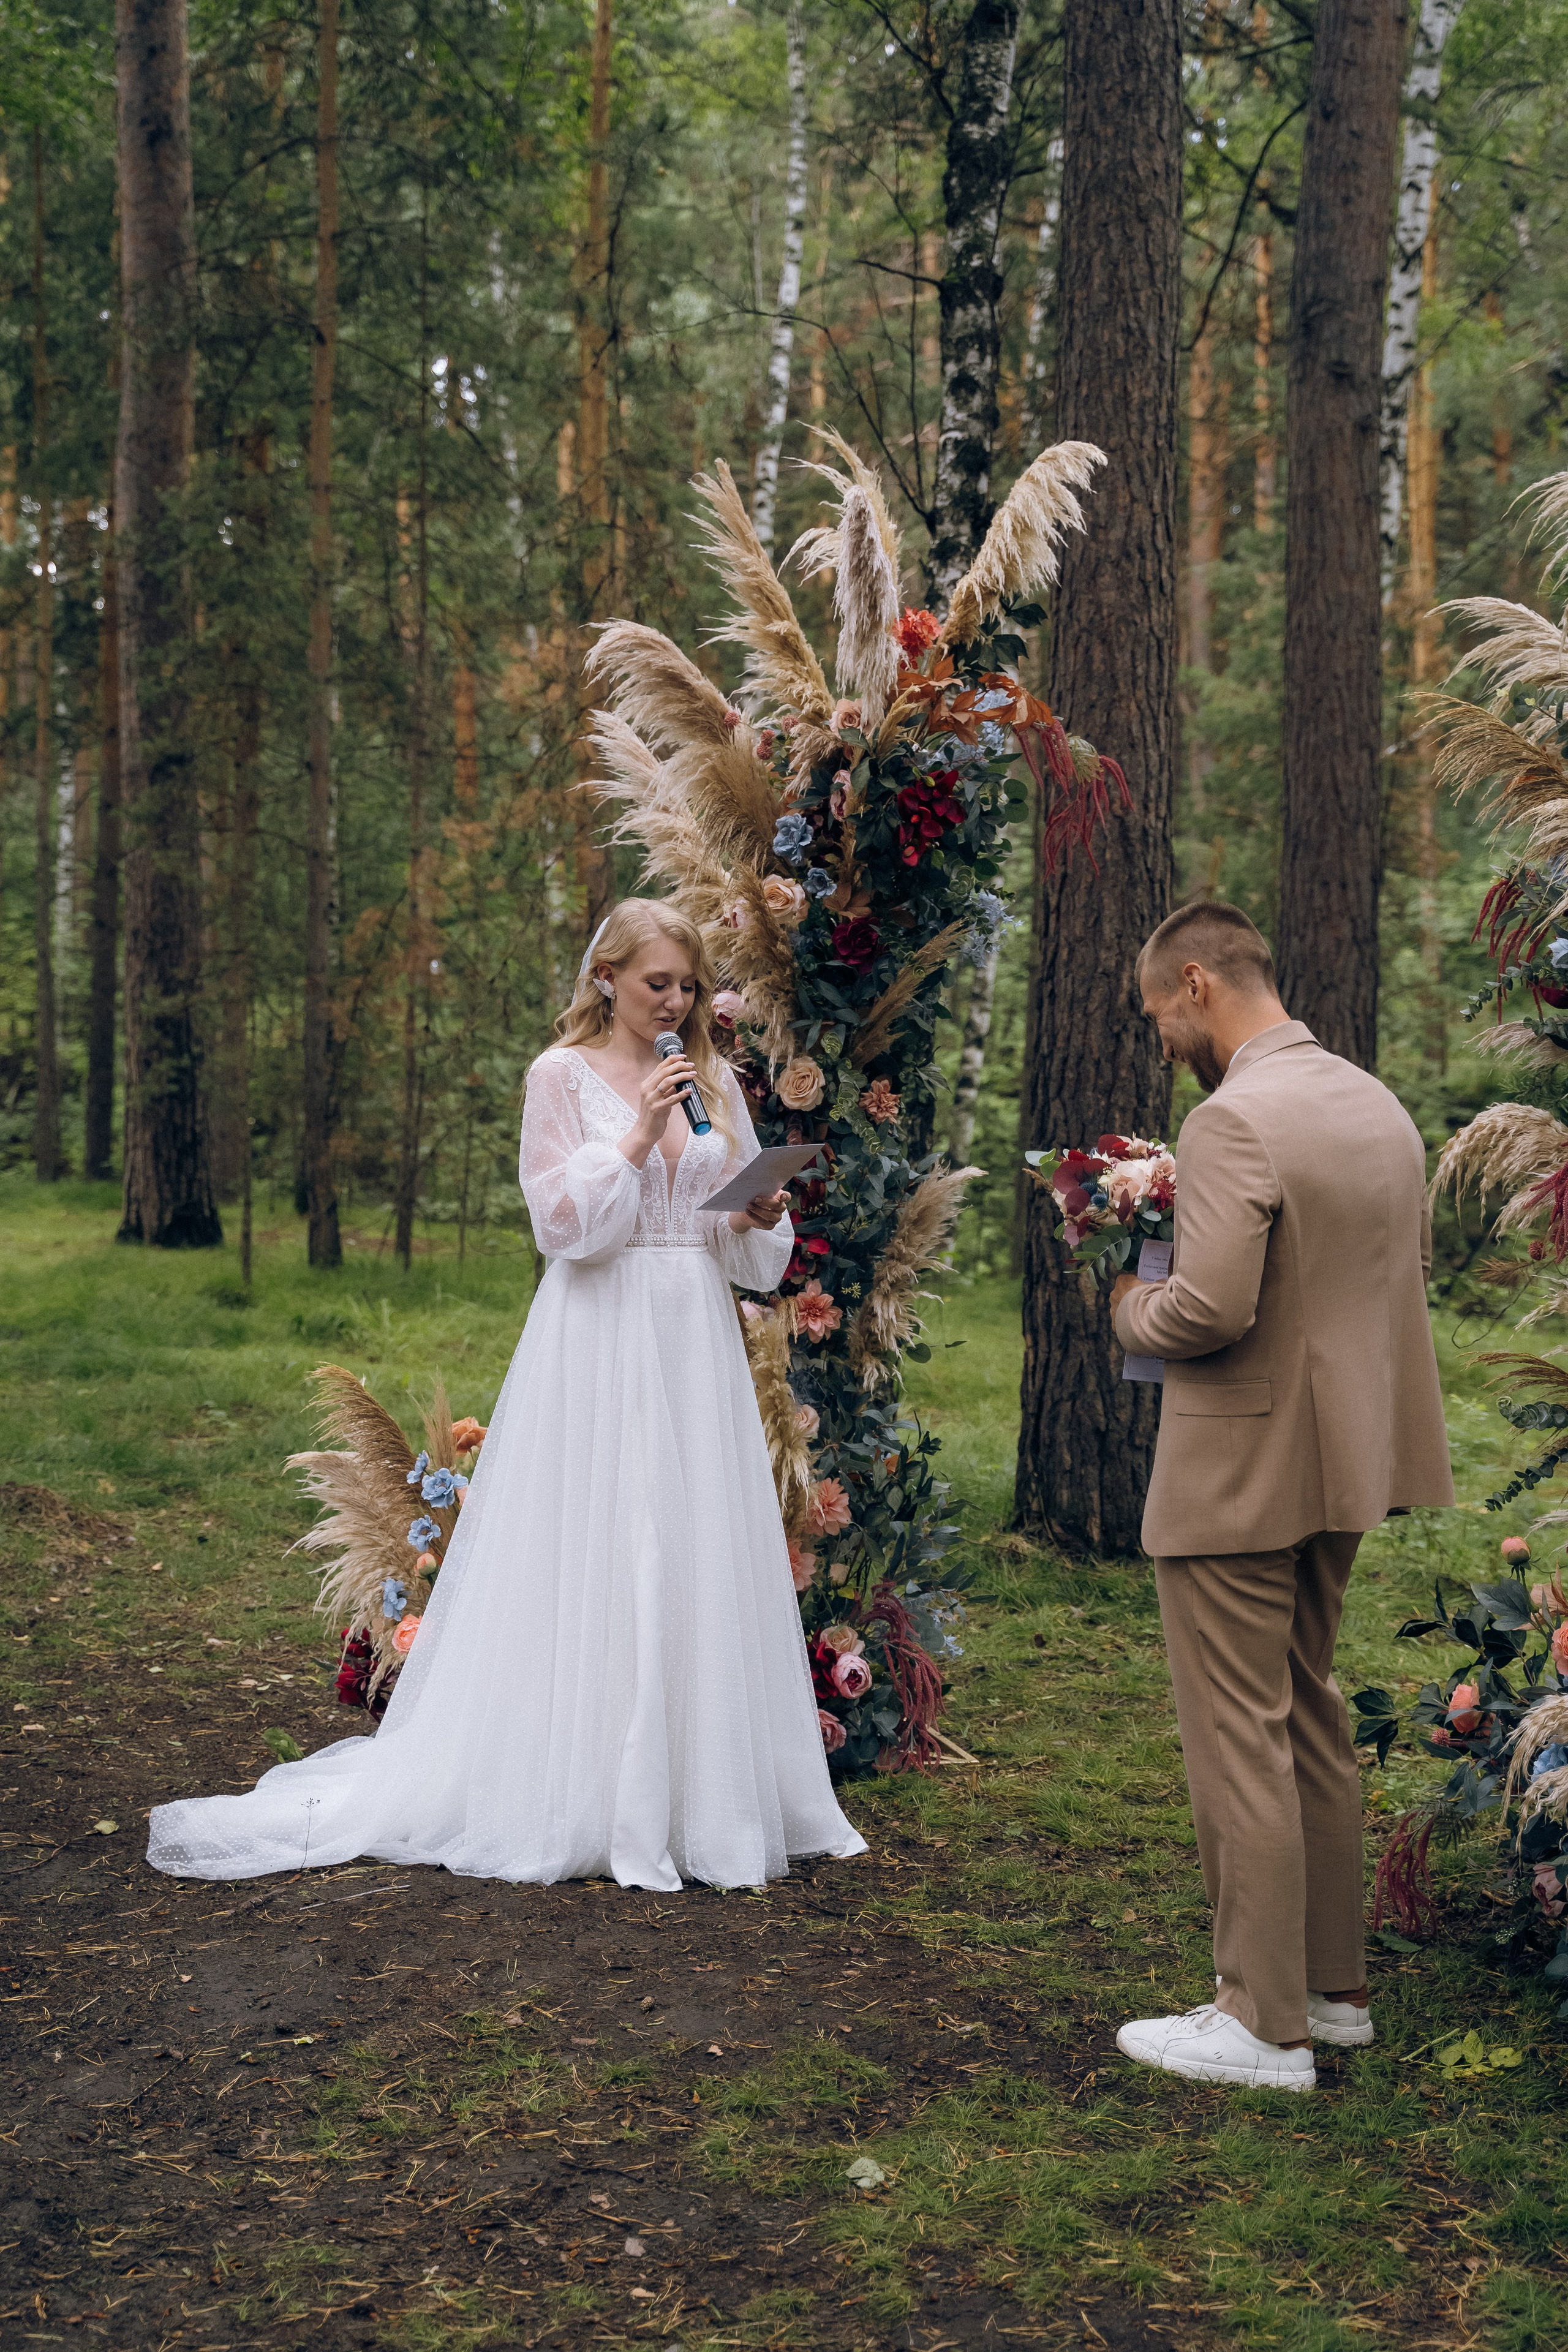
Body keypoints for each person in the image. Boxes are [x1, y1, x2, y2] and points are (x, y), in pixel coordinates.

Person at [148, 900, 865, 1893]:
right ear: (606, 978)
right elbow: (563, 1227)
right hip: (598, 1326)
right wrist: (636, 1135)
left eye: (690, 987)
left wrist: (756, 1209)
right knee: (602, 1534)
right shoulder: (561, 1077)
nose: (677, 1003)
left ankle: (704, 1790)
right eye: (658, 983)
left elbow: (746, 1254)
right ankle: (579, 1778)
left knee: (690, 1533)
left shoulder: (718, 1084)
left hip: (690, 1331)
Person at [1107, 901, 1452, 2092]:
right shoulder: (1374, 1106)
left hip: (1238, 1468)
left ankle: (1258, 2024)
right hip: (1346, 1459)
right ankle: (1329, 1990)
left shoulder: (1231, 1119)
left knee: (1235, 1736)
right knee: (1304, 1710)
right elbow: (1384, 1284)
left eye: (1157, 1012)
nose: (1160, 1038)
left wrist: (1119, 1304)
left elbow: (1204, 1308)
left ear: (1194, 983)